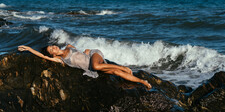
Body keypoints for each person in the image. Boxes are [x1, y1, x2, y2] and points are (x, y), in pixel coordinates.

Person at [18, 44, 152, 89]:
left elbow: (81, 53)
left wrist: (86, 51)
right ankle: (142, 81)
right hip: (93, 68)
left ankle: (123, 67)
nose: (54, 48)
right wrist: (29, 49)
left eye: (52, 46)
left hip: (95, 56)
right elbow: (43, 56)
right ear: (53, 55)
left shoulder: (69, 46)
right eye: (51, 50)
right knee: (116, 73)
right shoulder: (61, 61)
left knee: (98, 66)